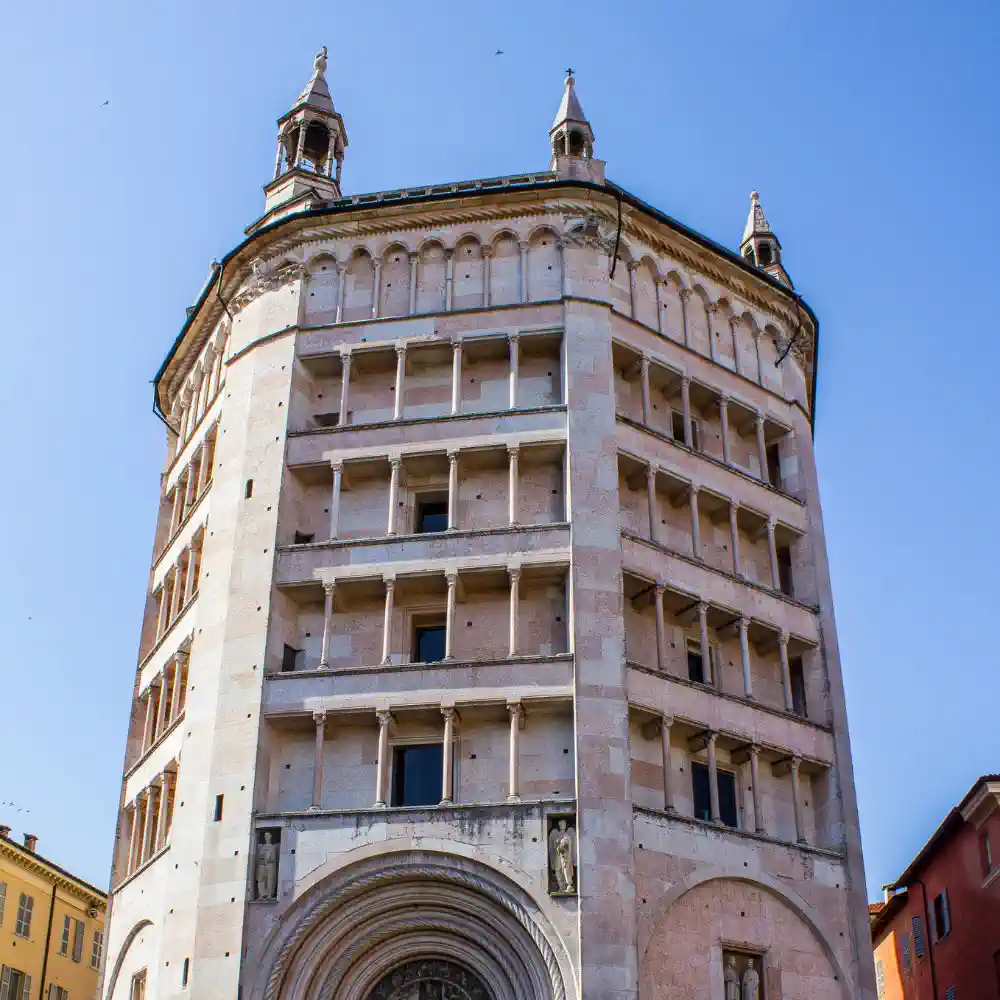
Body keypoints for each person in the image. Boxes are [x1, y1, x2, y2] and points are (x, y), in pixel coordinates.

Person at [548, 819, 576, 892]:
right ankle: (561, 886)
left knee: (566, 869)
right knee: (557, 869)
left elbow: (570, 846)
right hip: (558, 854)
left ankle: (569, 885)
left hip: (565, 855)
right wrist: (557, 843)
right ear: (559, 825)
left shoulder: (568, 835)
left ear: (565, 825)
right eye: (561, 824)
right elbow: (553, 847)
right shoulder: (556, 834)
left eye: (564, 824)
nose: (562, 825)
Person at [256, 830, 278, 899]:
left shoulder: (273, 846)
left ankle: (269, 894)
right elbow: (259, 856)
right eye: (265, 836)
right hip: (262, 865)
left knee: (270, 879)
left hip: (270, 864)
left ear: (270, 837)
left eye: (268, 835)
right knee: (261, 879)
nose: (266, 837)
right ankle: (262, 894)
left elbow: (274, 857)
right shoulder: (262, 847)